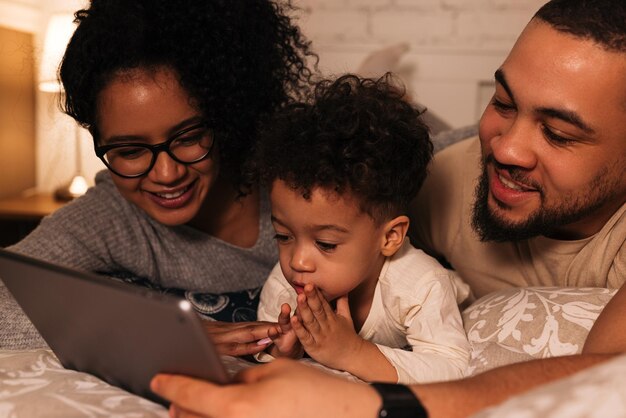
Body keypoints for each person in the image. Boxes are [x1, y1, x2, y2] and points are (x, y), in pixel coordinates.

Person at [150, 0, 626, 416]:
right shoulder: (447, 178)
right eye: (503, 103)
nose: (506, 151)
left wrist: (355, 398)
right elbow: (313, 223)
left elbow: (607, 374)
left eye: (558, 133)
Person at [0, 0, 315, 353]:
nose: (167, 174)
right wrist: (153, 331)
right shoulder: (111, 217)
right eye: (131, 151)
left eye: (188, 138)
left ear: (226, 117)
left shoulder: (297, 181)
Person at [253, 74, 470, 383]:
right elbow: (263, 359)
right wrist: (283, 353)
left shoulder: (421, 285)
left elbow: (454, 369)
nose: (297, 261)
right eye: (283, 236)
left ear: (390, 237)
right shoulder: (286, 284)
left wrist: (352, 352)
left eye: (326, 243)